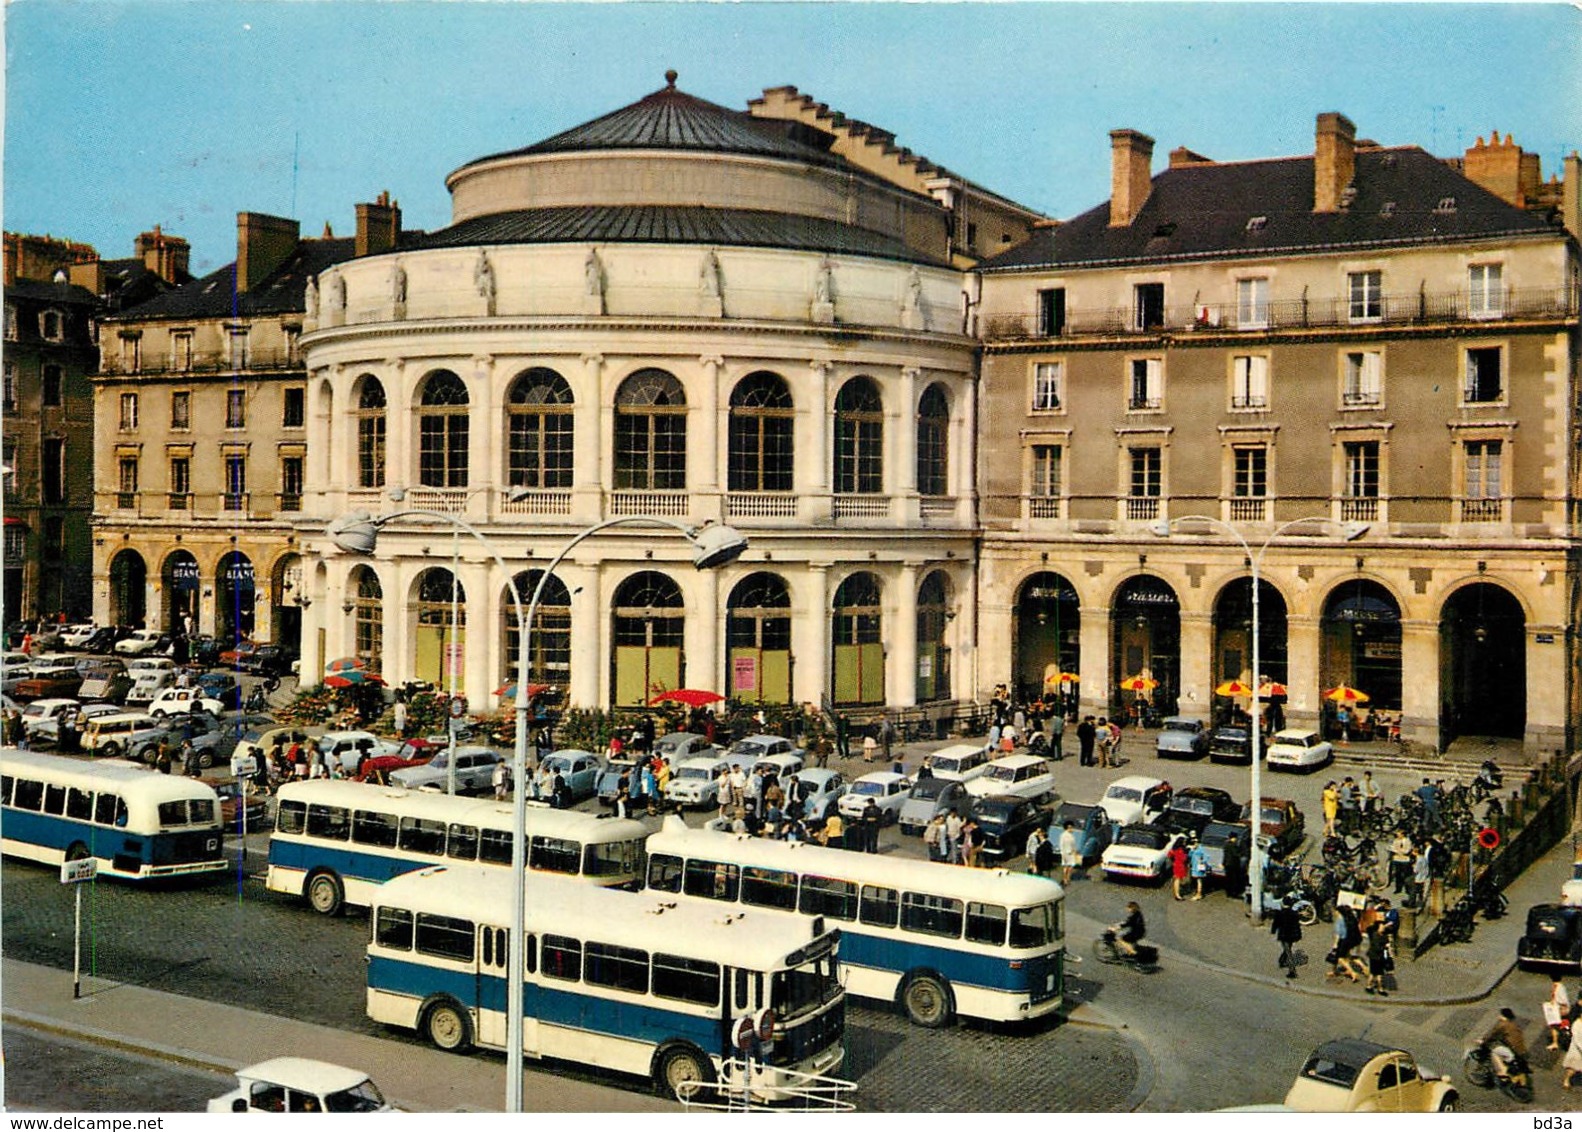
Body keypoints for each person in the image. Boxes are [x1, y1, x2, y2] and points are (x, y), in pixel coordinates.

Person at [1482, 1007, 1527, 1081]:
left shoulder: (1502, 1025)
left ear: (1503, 1016)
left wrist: (1483, 1041)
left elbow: (1491, 1035)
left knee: (1494, 1052)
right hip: (1521, 1050)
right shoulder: (1513, 1024)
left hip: (1513, 1051)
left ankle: (1502, 1072)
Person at [1271, 895, 1304, 978]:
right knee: (1287, 948)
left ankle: (1292, 971)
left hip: (1284, 935)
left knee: (1288, 952)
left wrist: (1273, 930)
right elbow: (1297, 925)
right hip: (1292, 935)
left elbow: (1276, 924)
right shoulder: (1294, 914)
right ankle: (1281, 961)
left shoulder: (1280, 913)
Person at [1364, 920, 1391, 996]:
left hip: (1380, 957)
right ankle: (1371, 986)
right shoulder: (1375, 936)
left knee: (1378, 974)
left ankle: (1378, 988)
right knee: (1374, 973)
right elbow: (1377, 947)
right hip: (1374, 957)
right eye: (1381, 926)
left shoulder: (1383, 935)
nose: (1383, 928)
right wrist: (1385, 946)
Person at [1545, 976, 1571, 1050]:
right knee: (1554, 1026)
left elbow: (1563, 1001)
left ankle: (1567, 1040)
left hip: (1561, 1011)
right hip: (1557, 1011)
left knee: (1563, 1026)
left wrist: (1559, 1005)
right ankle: (1555, 1042)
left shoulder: (1560, 988)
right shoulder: (1556, 986)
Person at [1222, 833, 1247, 900]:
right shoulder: (1232, 845)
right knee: (1234, 879)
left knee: (1228, 879)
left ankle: (1228, 893)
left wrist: (1223, 863)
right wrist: (1241, 853)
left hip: (1227, 864)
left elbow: (1225, 855)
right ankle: (1234, 894)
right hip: (1233, 864)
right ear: (1233, 838)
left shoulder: (1226, 844)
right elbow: (1235, 854)